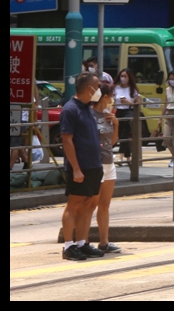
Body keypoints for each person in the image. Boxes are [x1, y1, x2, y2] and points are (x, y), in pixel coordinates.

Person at [59, 72, 105, 261]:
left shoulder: (88, 108)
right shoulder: (70, 109)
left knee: (88, 204)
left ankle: (82, 242)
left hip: (94, 164)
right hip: (80, 166)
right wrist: (76, 168)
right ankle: (68, 245)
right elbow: (67, 140)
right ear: (89, 88)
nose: (99, 90)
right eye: (97, 86)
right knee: (74, 204)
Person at [90, 83, 121, 254]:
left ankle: (104, 242)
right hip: (96, 163)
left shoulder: (108, 114)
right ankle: (82, 241)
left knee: (105, 205)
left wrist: (116, 124)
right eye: (111, 95)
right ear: (104, 96)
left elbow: (113, 142)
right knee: (91, 204)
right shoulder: (90, 114)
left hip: (109, 162)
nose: (113, 98)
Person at [112, 68, 140, 165]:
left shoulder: (133, 89)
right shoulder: (116, 88)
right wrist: (110, 112)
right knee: (120, 134)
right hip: (119, 111)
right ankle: (128, 157)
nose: (123, 78)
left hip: (129, 111)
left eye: (125, 76)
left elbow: (138, 104)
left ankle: (121, 157)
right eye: (121, 76)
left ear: (129, 77)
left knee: (124, 134)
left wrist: (128, 102)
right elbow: (113, 102)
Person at [162, 70, 174, 168]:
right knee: (166, 138)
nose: (172, 81)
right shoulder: (167, 90)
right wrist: (160, 118)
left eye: (173, 79)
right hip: (168, 113)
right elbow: (165, 104)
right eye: (170, 79)